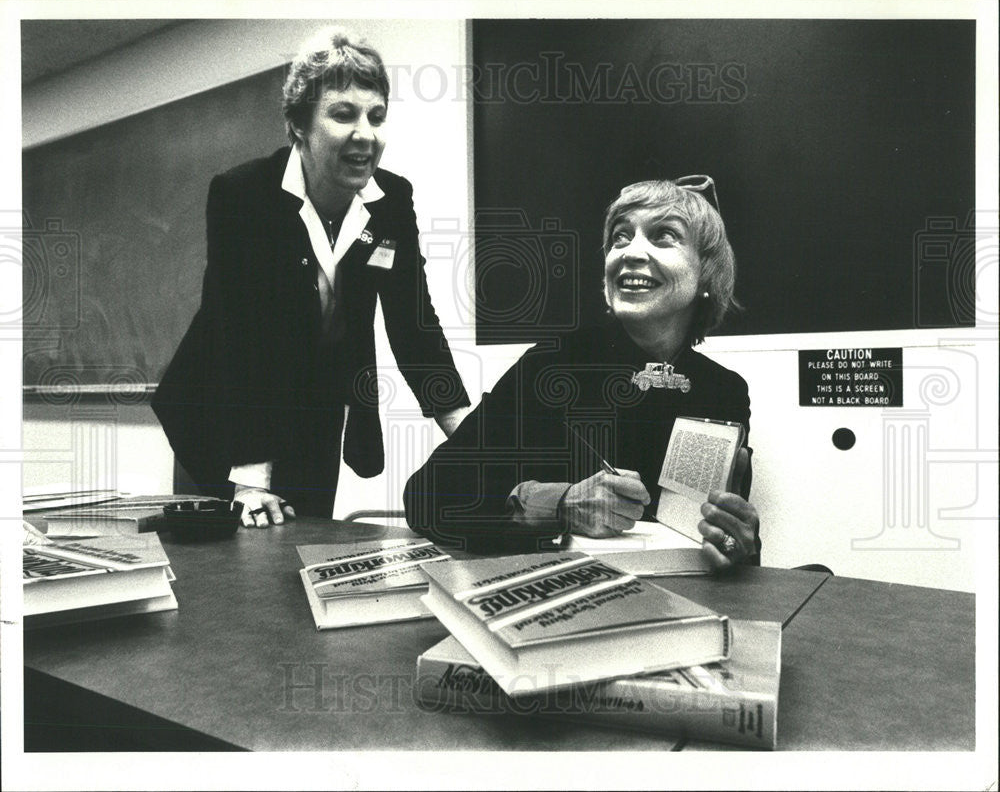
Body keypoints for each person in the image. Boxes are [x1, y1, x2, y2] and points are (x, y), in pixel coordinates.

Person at [153, 28, 470, 526]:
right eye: (343, 114)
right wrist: (251, 478)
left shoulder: (391, 201)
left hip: (312, 415)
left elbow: (413, 322)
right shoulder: (244, 195)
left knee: (301, 561)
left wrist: (471, 437)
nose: (365, 133)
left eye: (377, 116)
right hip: (221, 415)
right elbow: (238, 333)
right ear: (299, 124)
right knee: (225, 569)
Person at [403, 177, 759, 569]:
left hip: (680, 601)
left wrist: (738, 542)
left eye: (663, 236)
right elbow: (426, 495)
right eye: (620, 238)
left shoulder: (723, 390)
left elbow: (727, 541)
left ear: (706, 276)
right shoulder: (553, 365)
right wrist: (560, 504)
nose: (631, 252)